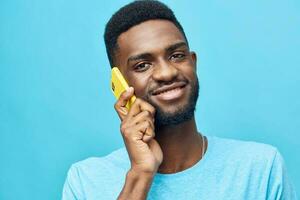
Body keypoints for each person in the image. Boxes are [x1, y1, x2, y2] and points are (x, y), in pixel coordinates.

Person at [62, 1, 297, 199]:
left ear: (193, 62)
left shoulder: (260, 168)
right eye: (142, 65)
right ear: (120, 84)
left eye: (176, 55)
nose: (167, 73)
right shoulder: (85, 180)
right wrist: (141, 174)